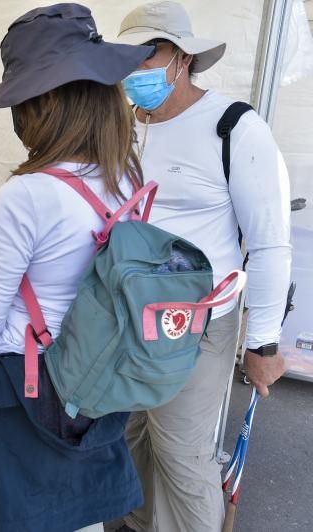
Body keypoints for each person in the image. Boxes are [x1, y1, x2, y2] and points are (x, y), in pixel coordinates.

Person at [0, 5, 155, 531]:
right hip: (94, 379)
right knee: (76, 517)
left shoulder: (27, 194)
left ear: (44, 103)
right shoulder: (126, 177)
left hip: (23, 393)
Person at [114, 2, 292, 531]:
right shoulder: (122, 125)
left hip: (196, 323)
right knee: (130, 438)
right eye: (129, 56)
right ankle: (140, 523)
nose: (137, 67)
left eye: (150, 54)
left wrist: (261, 345)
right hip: (125, 318)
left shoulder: (233, 126)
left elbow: (269, 245)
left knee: (182, 452)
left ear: (183, 58)